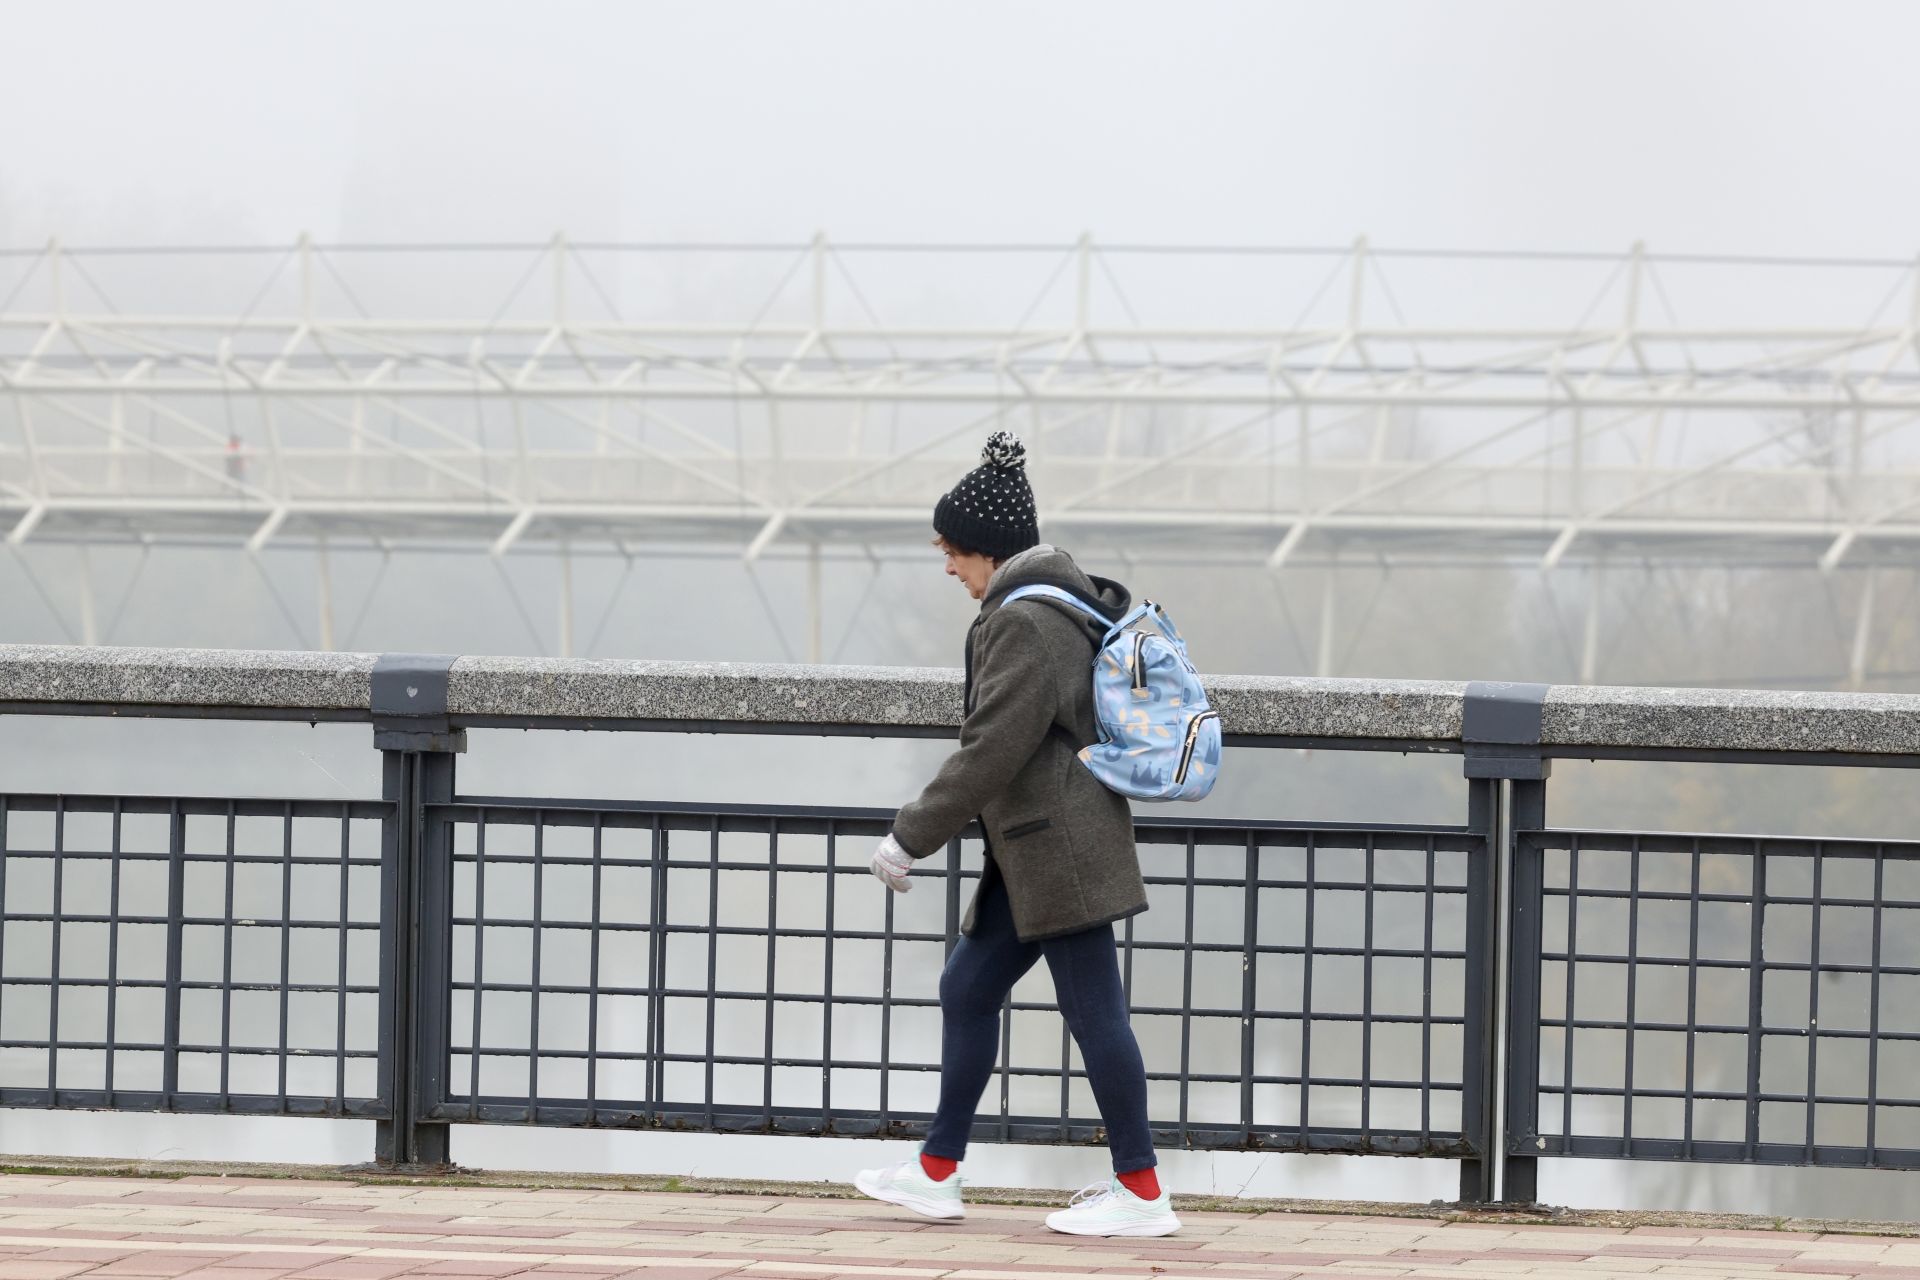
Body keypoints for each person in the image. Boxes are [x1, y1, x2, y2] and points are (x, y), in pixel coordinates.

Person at [851, 430, 1180, 1238]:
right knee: (967, 989)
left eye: (952, 551)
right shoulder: (1046, 605)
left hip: (1059, 848)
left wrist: (909, 836)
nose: (947, 566)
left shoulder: (1026, 622)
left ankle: (1142, 1193)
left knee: (1095, 1014)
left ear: (988, 549)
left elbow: (992, 747)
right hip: (1034, 847)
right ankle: (936, 1172)